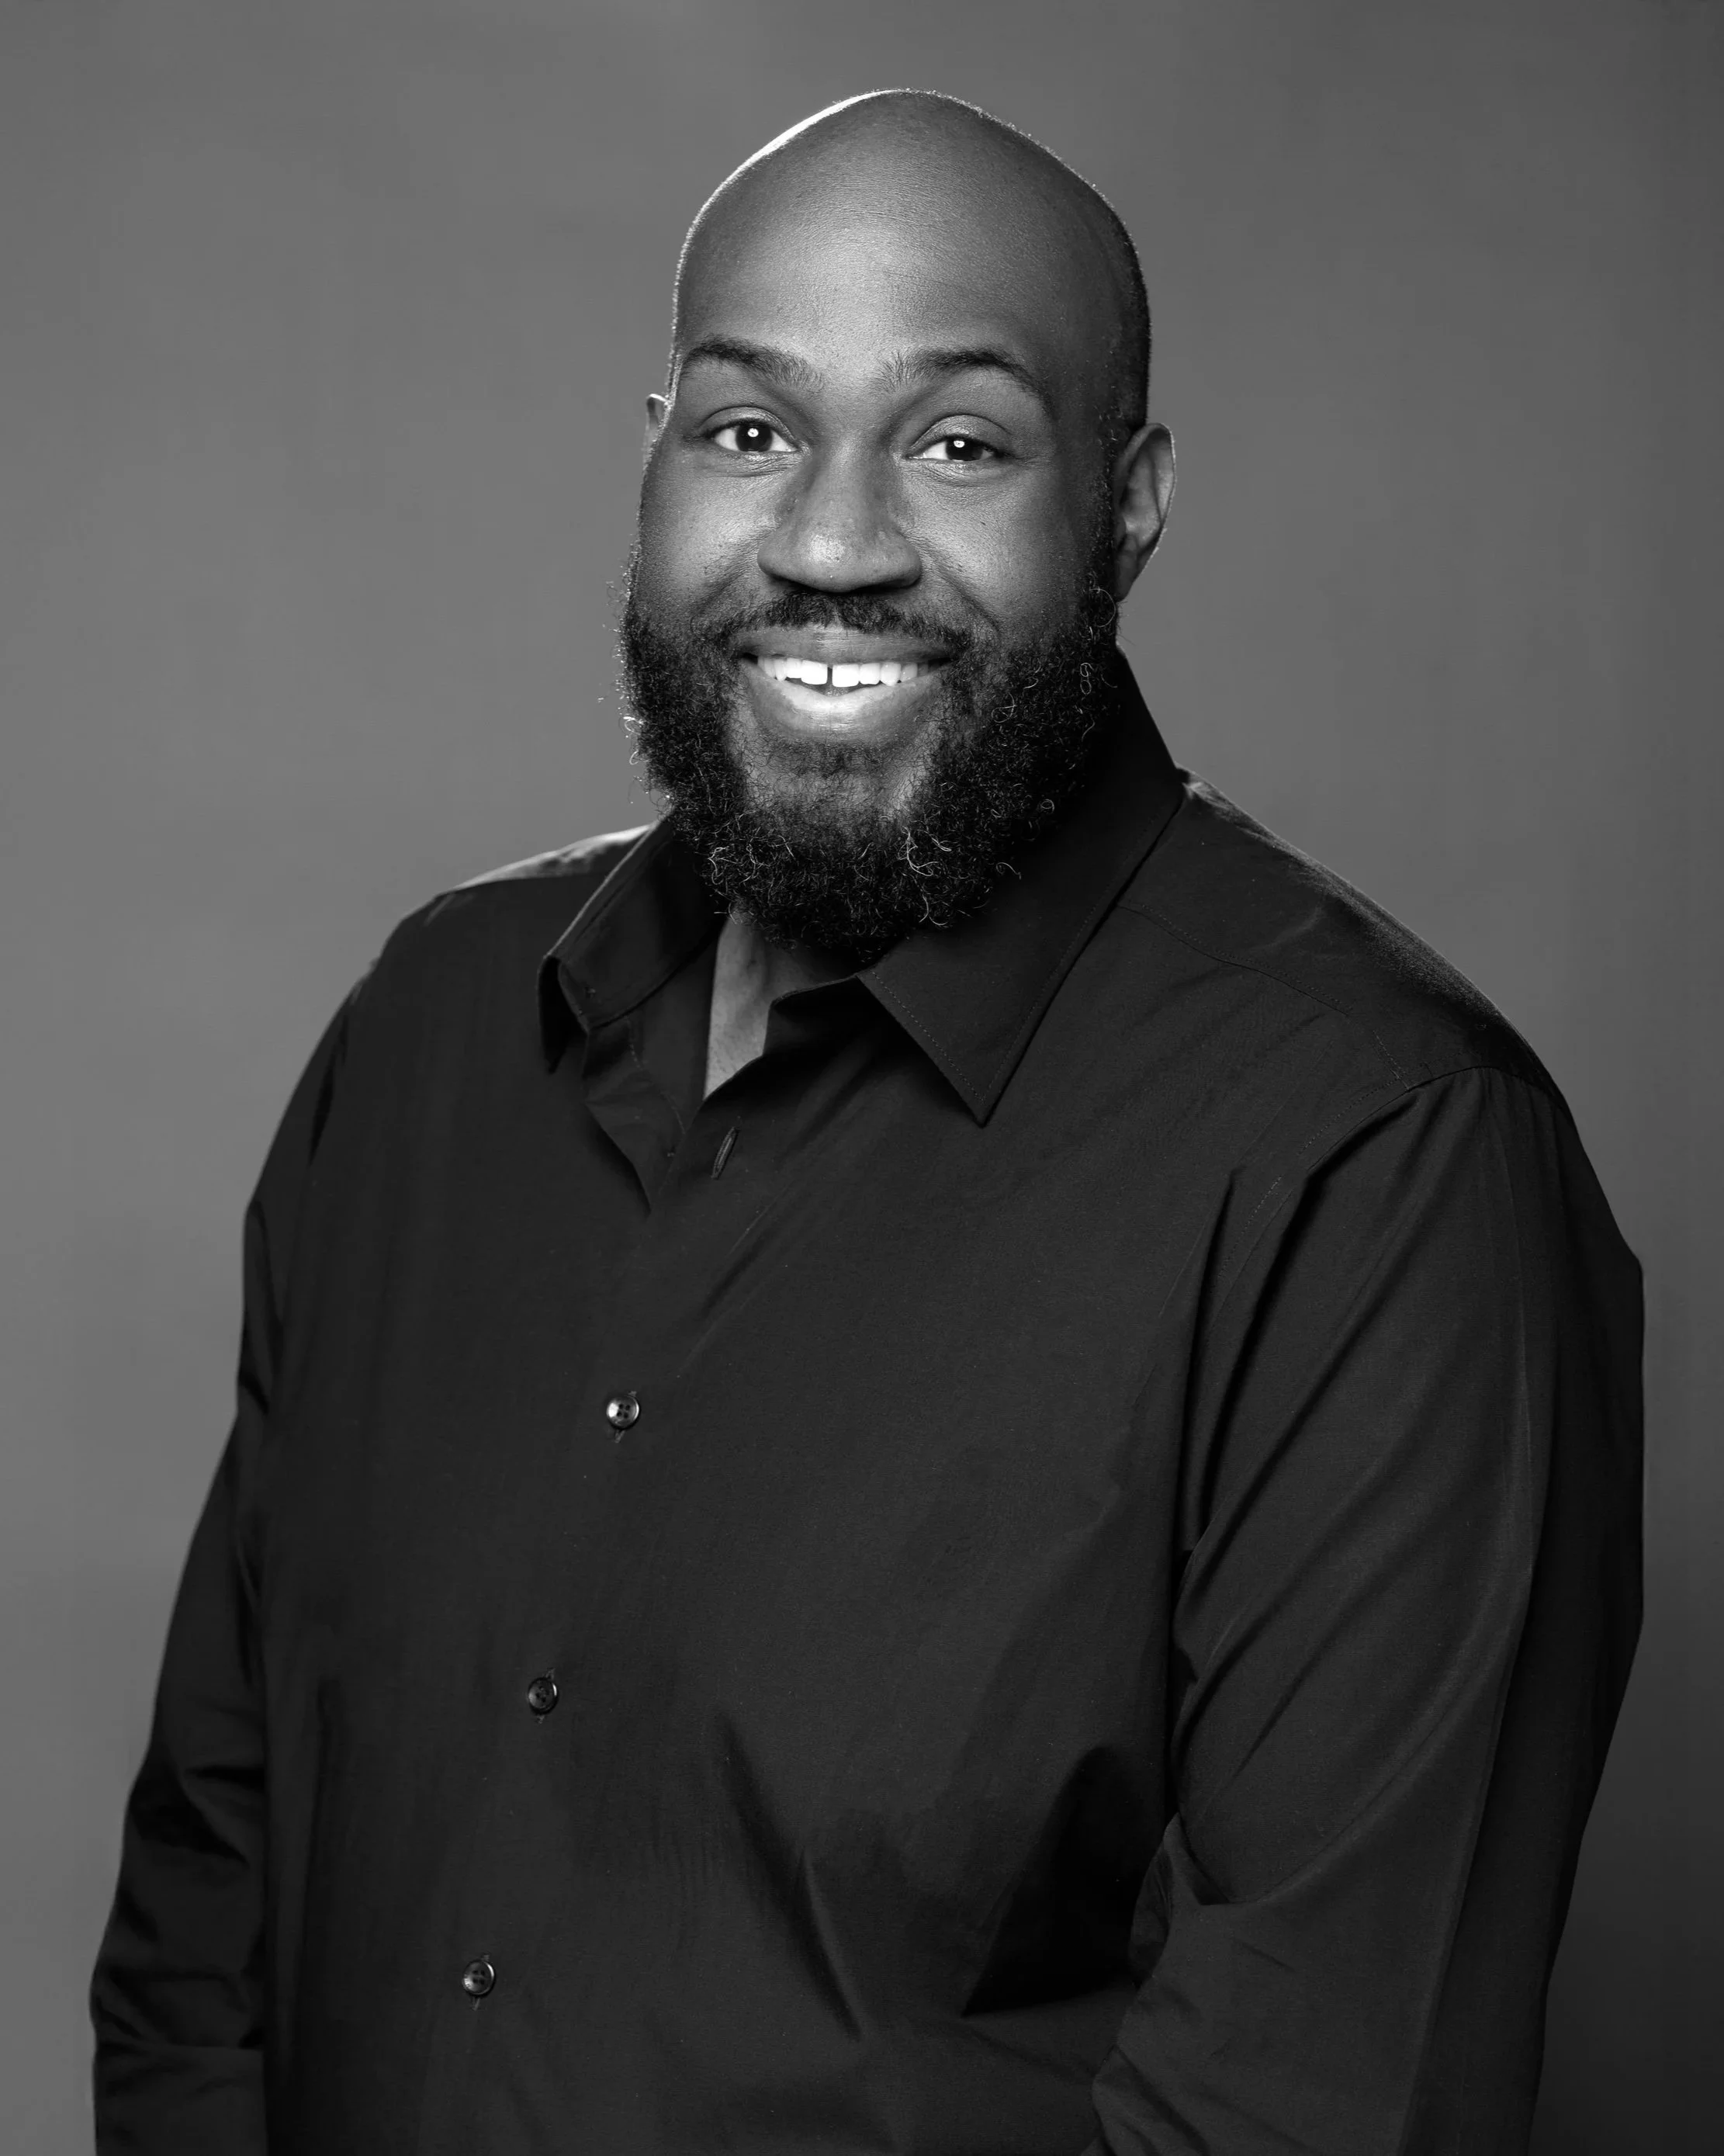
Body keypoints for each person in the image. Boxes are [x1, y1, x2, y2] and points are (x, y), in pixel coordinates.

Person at [90, 90, 1642, 2156]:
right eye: (746, 428)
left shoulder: (1378, 1160)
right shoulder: (428, 1037)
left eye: (958, 439)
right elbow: (216, 1879)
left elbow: (1312, 2097)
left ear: (1131, 499)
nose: (826, 544)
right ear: (651, 458)